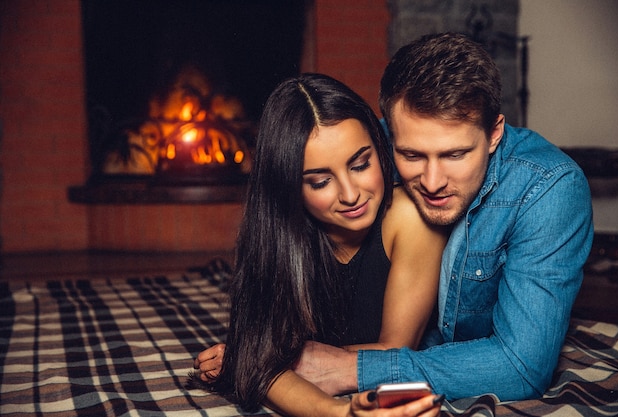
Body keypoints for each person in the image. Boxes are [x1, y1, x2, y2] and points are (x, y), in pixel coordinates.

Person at [290, 32, 594, 402]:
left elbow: (521, 367)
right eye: (412, 155)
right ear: (389, 132)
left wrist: (351, 370)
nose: (432, 183)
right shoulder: (369, 153)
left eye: (455, 155)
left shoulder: (549, 189)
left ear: (494, 133)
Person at [193, 73, 447, 416]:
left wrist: (257, 359)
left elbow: (393, 354)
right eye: (320, 181)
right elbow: (267, 363)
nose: (350, 193)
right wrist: (337, 412)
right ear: (289, 187)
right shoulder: (278, 237)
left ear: (379, 147)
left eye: (360, 164)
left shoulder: (408, 218)